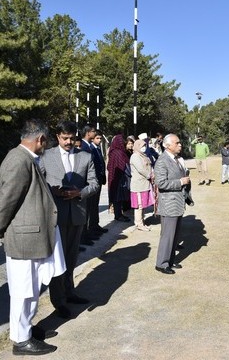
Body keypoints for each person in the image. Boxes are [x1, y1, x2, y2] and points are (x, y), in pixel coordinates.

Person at [0, 119, 66, 356]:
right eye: (46, 141)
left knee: (32, 288)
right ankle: (20, 341)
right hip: (23, 239)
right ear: (40, 139)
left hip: (32, 237)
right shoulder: (18, 160)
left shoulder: (26, 158)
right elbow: (6, 201)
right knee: (23, 291)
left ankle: (26, 329)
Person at [40, 120, 99, 319]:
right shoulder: (46, 156)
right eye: (64, 138)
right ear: (57, 137)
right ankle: (58, 301)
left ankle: (69, 291)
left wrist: (80, 193)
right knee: (58, 260)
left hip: (78, 215)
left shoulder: (86, 157)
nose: (68, 142)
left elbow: (94, 184)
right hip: (55, 216)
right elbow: (38, 183)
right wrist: (52, 191)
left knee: (71, 257)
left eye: (71, 138)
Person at [154, 134, 190, 274]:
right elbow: (161, 183)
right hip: (169, 204)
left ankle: (170, 260)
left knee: (175, 235)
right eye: (177, 143)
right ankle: (162, 263)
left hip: (177, 202)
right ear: (167, 145)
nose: (180, 145)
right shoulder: (162, 161)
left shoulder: (176, 159)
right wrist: (180, 182)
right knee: (168, 235)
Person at [130, 139, 154, 231]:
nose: (144, 148)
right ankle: (139, 224)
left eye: (145, 146)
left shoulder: (143, 155)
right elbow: (141, 169)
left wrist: (152, 173)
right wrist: (149, 175)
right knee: (139, 205)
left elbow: (149, 166)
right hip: (138, 185)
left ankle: (142, 222)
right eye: (142, 146)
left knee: (143, 204)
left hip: (144, 184)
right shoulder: (135, 156)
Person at [107, 134, 132, 222]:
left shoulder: (113, 152)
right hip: (119, 179)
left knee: (117, 197)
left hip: (115, 177)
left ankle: (119, 214)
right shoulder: (119, 153)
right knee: (118, 197)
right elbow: (124, 166)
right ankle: (118, 215)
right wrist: (131, 173)